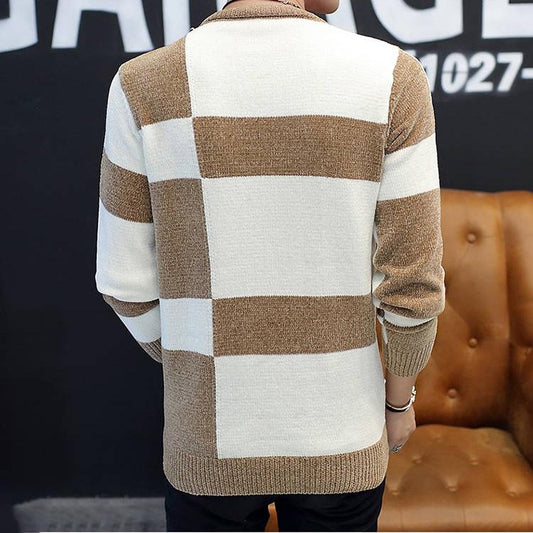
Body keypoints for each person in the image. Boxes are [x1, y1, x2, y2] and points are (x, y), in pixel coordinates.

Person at [94, 0, 446, 530]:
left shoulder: (143, 84)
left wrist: (200, 365)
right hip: (341, 432)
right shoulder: (390, 76)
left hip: (207, 437)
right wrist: (398, 404)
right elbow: (413, 286)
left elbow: (123, 282)